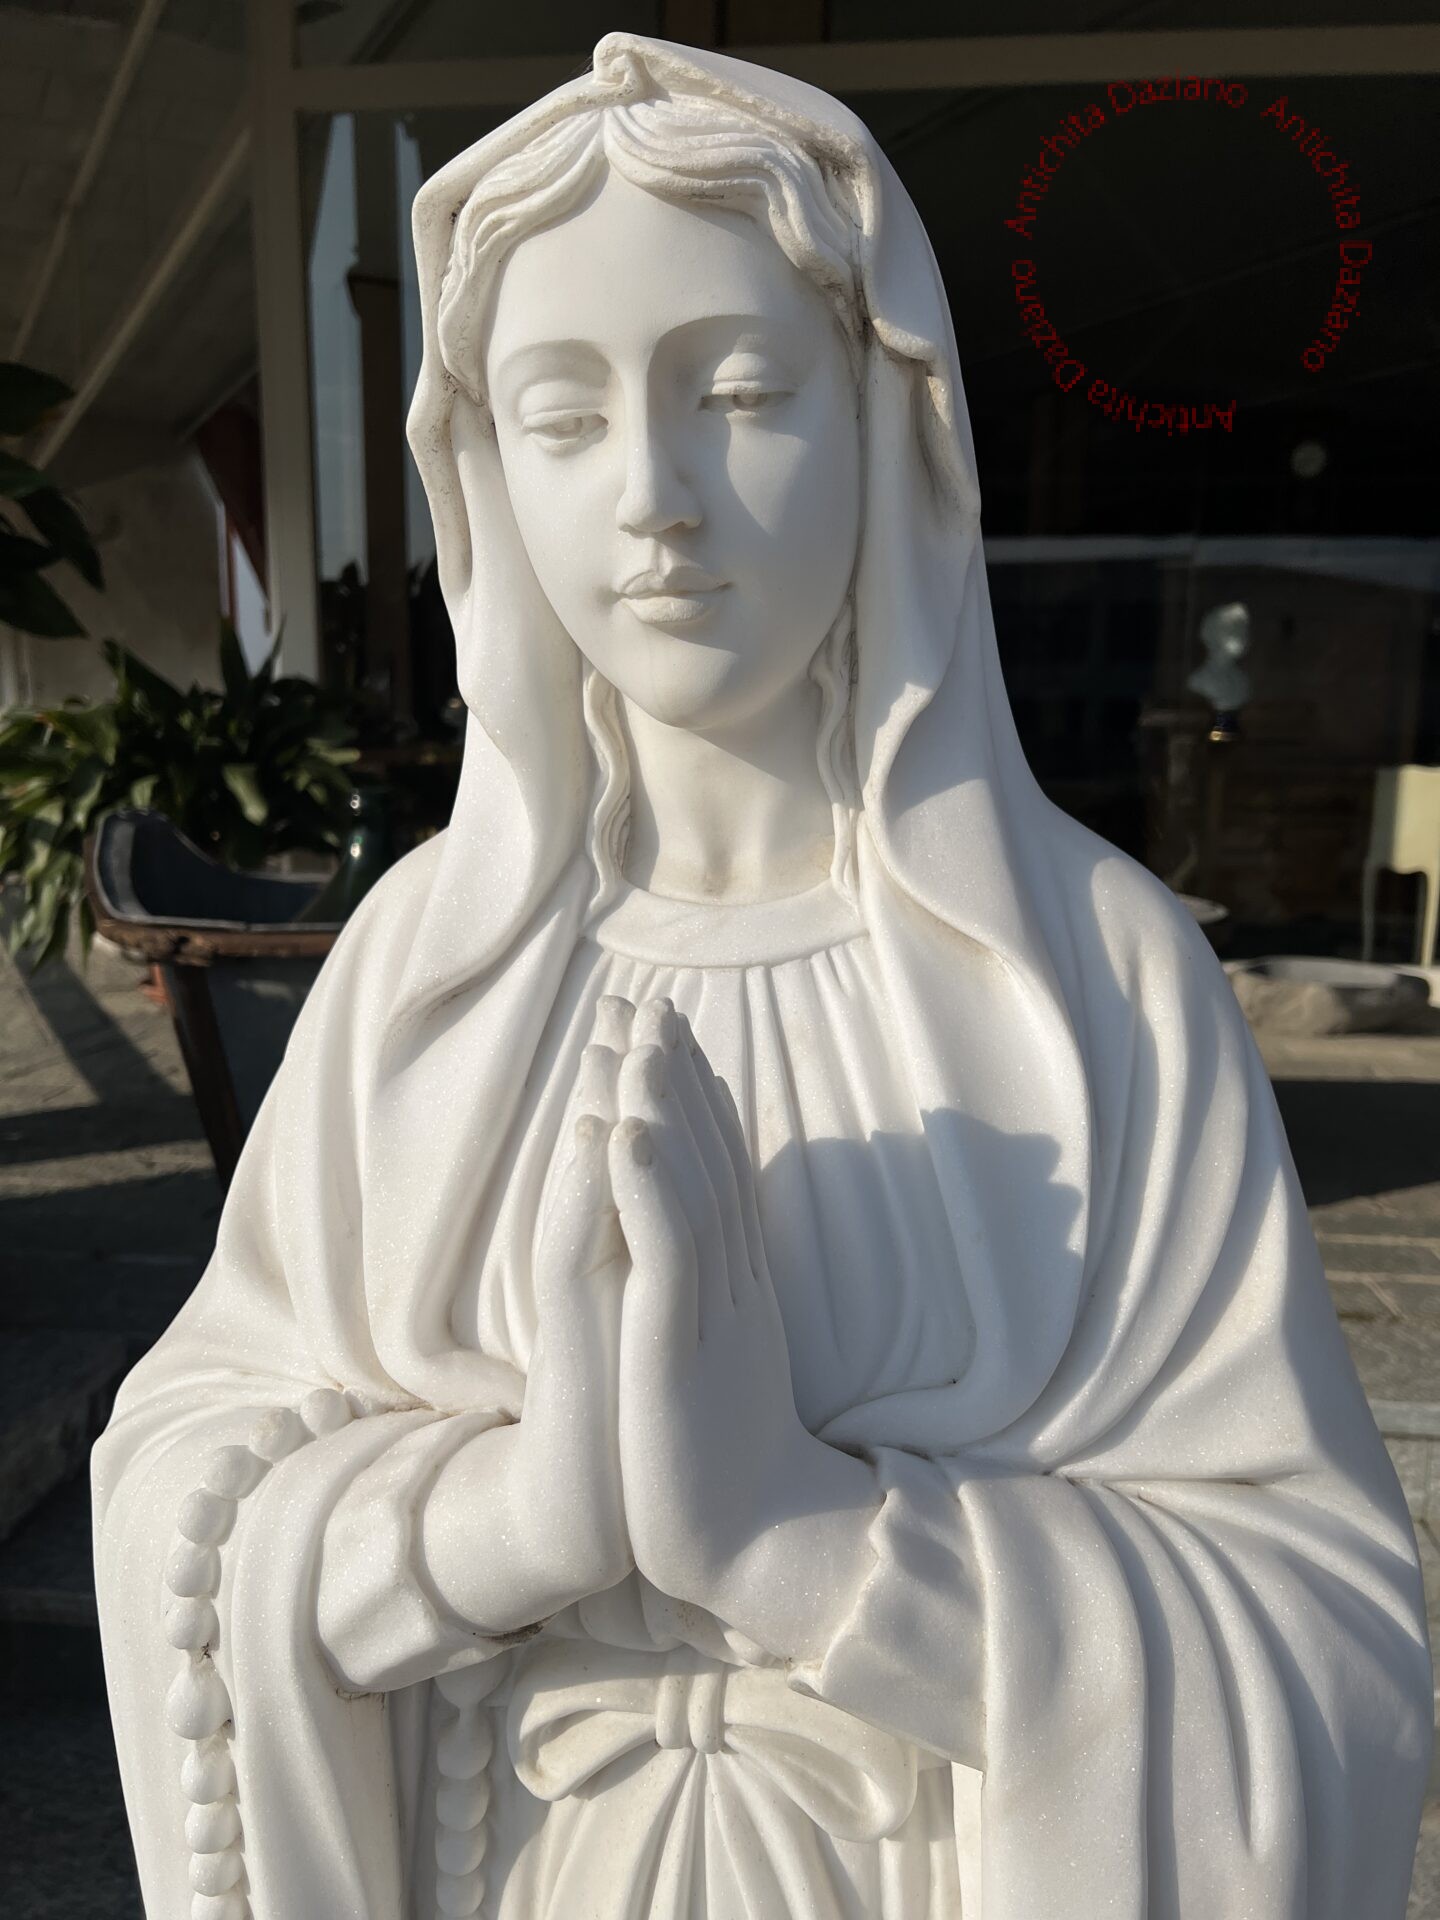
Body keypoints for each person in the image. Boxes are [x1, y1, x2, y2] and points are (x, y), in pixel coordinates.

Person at [94, 35, 1431, 1920]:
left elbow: (1318, 1628)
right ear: (485, 478)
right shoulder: (420, 975)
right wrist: (521, 1519)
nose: (656, 497)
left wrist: (800, 1545)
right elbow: (191, 1485)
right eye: (562, 416)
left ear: (884, 416)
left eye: (735, 392)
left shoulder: (1099, 983)